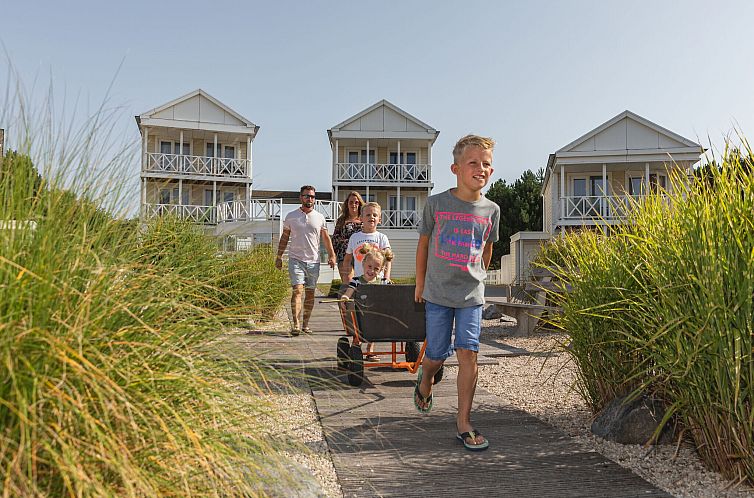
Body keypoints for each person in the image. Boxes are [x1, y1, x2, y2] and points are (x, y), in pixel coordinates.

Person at [413, 135, 500, 452]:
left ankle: (464, 422)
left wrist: (479, 278)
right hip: (437, 293)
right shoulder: (436, 204)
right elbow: (424, 244)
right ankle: (426, 380)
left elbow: (487, 250)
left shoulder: (491, 210)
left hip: (471, 296)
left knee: (468, 352)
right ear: (456, 168)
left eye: (486, 164)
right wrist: (420, 284)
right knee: (437, 354)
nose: (481, 168)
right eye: (473, 162)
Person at [275, 185, 336, 336]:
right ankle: (295, 324)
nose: (310, 199)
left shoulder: (320, 217)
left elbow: (326, 238)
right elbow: (284, 237)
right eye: (307, 196)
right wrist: (279, 256)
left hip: (313, 261)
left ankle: (305, 324)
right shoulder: (291, 216)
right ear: (300, 197)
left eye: (312, 196)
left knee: (310, 293)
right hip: (296, 259)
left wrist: (331, 255)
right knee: (297, 290)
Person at [343, 202, 392, 359]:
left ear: (380, 219)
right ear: (361, 218)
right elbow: (348, 259)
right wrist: (347, 277)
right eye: (368, 215)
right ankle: (356, 344)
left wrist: (386, 277)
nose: (371, 217)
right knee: (359, 314)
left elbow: (388, 259)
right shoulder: (355, 237)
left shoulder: (381, 237)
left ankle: (370, 349)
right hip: (359, 282)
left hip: (376, 283)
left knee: (374, 315)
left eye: (375, 215)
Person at [341, 244, 394, 361]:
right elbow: (349, 292)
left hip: (378, 314)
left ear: (381, 270)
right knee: (359, 330)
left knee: (375, 327)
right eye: (369, 266)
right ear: (363, 264)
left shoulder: (383, 282)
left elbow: (393, 295)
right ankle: (355, 347)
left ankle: (370, 349)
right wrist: (345, 298)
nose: (371, 271)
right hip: (361, 314)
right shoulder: (357, 280)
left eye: (376, 269)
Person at [331, 191, 364, 283]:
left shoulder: (364, 219)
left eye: (356, 202)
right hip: (344, 255)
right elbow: (334, 239)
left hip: (361, 256)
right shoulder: (341, 220)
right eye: (351, 202)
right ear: (347, 204)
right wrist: (332, 255)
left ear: (360, 204)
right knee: (348, 283)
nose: (354, 204)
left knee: (361, 283)